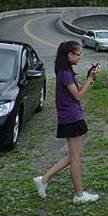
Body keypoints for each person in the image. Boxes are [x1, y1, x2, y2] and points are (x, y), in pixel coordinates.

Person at [33, 40, 100, 203]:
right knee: (76, 157)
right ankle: (79, 195)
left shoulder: (64, 70)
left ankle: (44, 179)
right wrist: (90, 79)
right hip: (71, 117)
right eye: (78, 54)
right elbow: (77, 96)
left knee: (75, 154)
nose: (80, 57)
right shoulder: (66, 73)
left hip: (70, 116)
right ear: (69, 55)